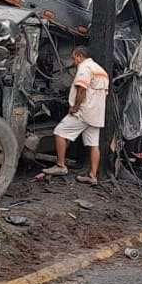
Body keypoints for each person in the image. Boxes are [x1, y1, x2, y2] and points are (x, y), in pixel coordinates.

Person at [42, 46, 109, 185]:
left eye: (74, 58)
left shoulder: (85, 68)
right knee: (94, 145)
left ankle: (61, 166)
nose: (74, 61)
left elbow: (81, 90)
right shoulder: (101, 71)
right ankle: (93, 176)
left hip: (83, 112)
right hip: (96, 115)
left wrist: (75, 107)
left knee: (59, 132)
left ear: (79, 56)